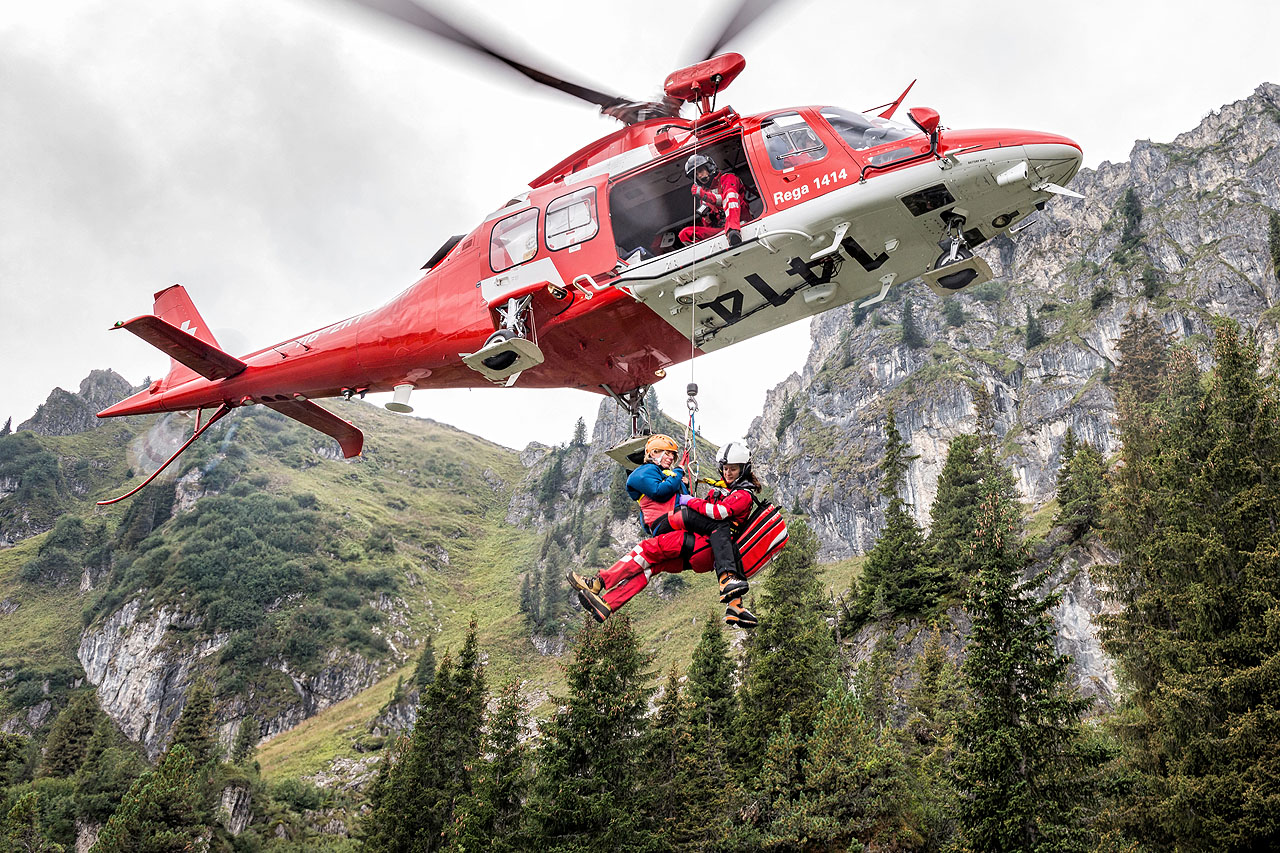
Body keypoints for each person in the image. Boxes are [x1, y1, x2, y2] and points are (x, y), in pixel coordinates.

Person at [569, 440, 762, 629]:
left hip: (699, 545)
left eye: (733, 469)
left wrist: (688, 501)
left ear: (743, 469)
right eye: (725, 468)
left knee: (646, 549)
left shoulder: (742, 494)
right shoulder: (727, 491)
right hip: (702, 552)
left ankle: (599, 581)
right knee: (651, 568)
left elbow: (717, 514)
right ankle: (608, 604)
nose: (727, 473)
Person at [677, 154, 745, 248]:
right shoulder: (704, 195)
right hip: (722, 228)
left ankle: (733, 232)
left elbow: (728, 198)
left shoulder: (728, 178)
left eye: (700, 171)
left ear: (709, 167)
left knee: (730, 194)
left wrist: (705, 196)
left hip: (741, 219)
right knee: (684, 234)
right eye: (696, 174)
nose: (699, 176)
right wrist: (707, 219)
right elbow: (708, 227)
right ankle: (703, 250)